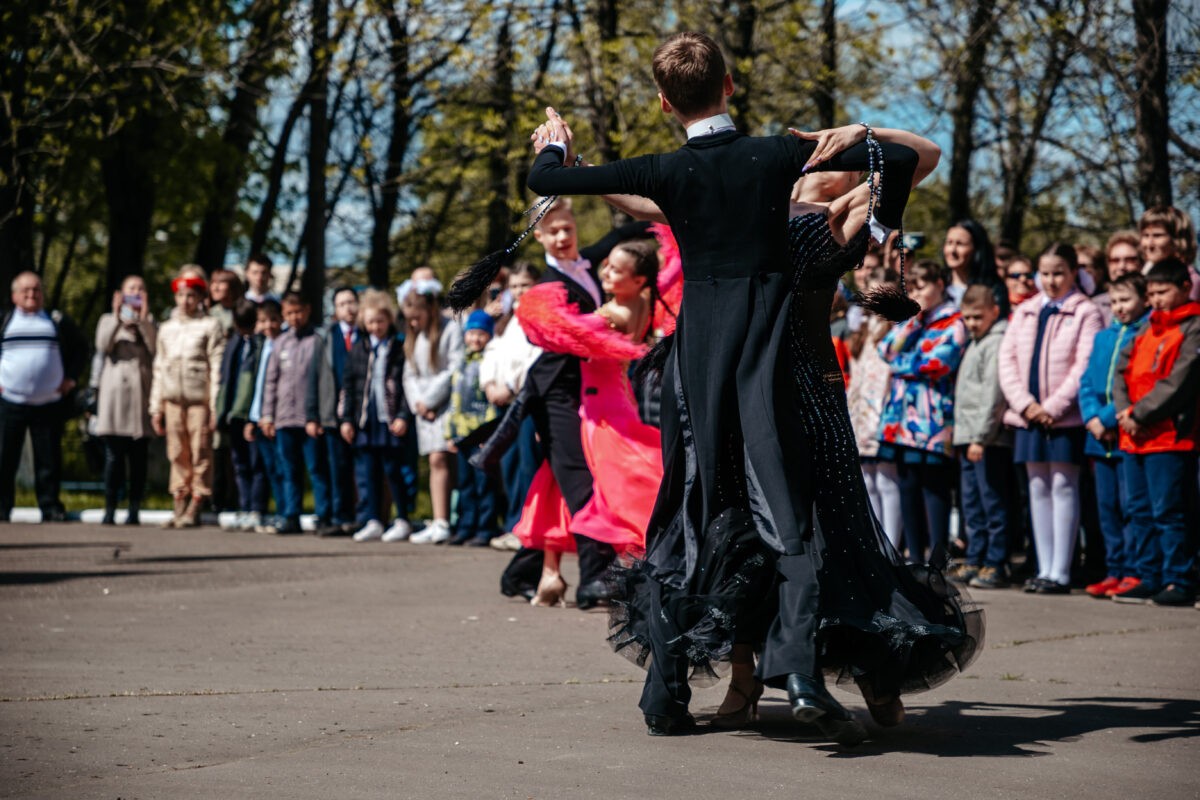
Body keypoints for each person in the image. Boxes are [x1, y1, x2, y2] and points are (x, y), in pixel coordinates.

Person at [517, 32, 976, 741]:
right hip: (766, 377)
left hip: (724, 376)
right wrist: (856, 134)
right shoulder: (770, 161)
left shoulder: (714, 178)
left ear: (666, 102)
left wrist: (558, 152)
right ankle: (784, 671)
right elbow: (913, 152)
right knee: (770, 524)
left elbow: (578, 188)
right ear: (730, 85)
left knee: (711, 521)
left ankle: (727, 683)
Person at [490, 200, 652, 603]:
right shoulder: (546, 287)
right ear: (539, 237)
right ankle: (595, 581)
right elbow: (565, 337)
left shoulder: (593, 262)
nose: (563, 237)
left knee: (560, 481)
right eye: (553, 231)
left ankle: (523, 572)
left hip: (595, 391)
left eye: (568, 228)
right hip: (557, 393)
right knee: (580, 481)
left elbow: (625, 234)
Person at [999, 243, 1103, 594]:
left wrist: (1053, 407)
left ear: (1074, 272)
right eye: (1045, 273)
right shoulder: (1026, 310)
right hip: (1029, 416)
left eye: (1059, 272)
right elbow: (1007, 361)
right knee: (1037, 487)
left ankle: (1061, 570)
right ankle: (1044, 568)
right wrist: (1026, 404)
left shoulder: (1085, 311)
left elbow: (1083, 365)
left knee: (1063, 485)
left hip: (1063, 418)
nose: (1051, 280)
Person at [1111, 258, 1200, 607]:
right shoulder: (1146, 327)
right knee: (1140, 509)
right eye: (1151, 293)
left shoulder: (1192, 327)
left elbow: (1180, 380)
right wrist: (1123, 411)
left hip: (1169, 437)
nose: (1157, 299)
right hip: (1134, 436)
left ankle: (1180, 577)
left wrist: (1140, 413)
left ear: (1184, 287)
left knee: (1170, 510)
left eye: (1163, 292)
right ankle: (1150, 576)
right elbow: (1122, 369)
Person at [878, 260, 968, 562]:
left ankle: (937, 560)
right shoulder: (912, 321)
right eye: (912, 287)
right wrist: (913, 324)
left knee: (934, 488)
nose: (918, 292)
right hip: (900, 418)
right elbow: (886, 350)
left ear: (940, 285)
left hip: (931, 421)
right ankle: (914, 559)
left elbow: (938, 364)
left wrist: (903, 366)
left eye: (923, 286)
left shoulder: (954, 322)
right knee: (907, 486)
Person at [1078, 272, 1149, 599]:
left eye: (1126, 300)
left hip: (1124, 432)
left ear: (1144, 300)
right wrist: (1091, 417)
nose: (1119, 307)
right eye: (1115, 301)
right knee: (1106, 507)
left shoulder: (1144, 333)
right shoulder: (1103, 337)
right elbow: (1087, 381)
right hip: (1098, 436)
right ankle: (1114, 568)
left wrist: (1107, 418)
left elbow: (1135, 386)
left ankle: (1135, 570)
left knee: (1129, 505)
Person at [0, 271, 88, 522]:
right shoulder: (5, 321)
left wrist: (71, 378)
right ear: (14, 295)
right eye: (26, 290)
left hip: (48, 402)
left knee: (48, 459)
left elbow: (82, 348)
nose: (31, 295)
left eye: (36, 289)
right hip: (11, 402)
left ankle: (49, 506)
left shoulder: (55, 320)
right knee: (5, 457)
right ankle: (2, 506)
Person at [149, 267, 227, 528]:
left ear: (201, 298)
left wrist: (215, 405)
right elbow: (159, 368)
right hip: (172, 399)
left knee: (200, 451)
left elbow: (217, 367)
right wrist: (155, 407)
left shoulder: (209, 326)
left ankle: (197, 500)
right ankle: (179, 500)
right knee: (177, 452)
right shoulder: (167, 328)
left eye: (191, 295)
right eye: (181, 295)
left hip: (199, 401)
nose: (185, 301)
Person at [951, 285, 1012, 589]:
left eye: (978, 316)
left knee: (991, 501)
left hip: (985, 439)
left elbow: (993, 394)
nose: (972, 323)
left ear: (994, 312)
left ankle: (995, 562)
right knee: (971, 502)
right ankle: (975, 557)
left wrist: (980, 436)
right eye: (967, 318)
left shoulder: (995, 342)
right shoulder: (976, 342)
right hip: (967, 436)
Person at [340, 290, 414, 543]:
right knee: (367, 471)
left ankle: (402, 518)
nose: (376, 327)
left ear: (389, 319)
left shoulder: (399, 347)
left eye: (380, 321)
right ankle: (373, 519)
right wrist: (347, 420)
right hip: (365, 419)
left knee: (393, 469)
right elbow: (349, 387)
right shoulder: (359, 349)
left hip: (390, 417)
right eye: (371, 322)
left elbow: (407, 384)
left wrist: (403, 415)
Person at [480, 263, 544, 550]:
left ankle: (527, 527)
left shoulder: (542, 317)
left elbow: (535, 357)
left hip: (526, 401)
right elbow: (492, 354)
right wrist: (490, 384)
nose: (520, 291)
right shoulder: (507, 320)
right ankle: (513, 524)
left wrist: (511, 386)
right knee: (508, 465)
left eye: (525, 285)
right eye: (515, 286)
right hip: (503, 403)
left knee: (527, 464)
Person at [259, 292, 326, 535]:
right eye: (289, 313)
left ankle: (323, 515)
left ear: (307, 311)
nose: (294, 318)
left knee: (316, 468)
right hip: (283, 418)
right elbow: (270, 382)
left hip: (308, 419)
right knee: (288, 469)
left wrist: (317, 416)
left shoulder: (317, 341)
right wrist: (267, 415)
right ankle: (291, 514)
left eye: (298, 312)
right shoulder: (280, 343)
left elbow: (322, 381)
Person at [402, 283, 464, 544]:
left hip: (446, 405)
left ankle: (447, 519)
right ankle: (440, 518)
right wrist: (418, 402)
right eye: (410, 319)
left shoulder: (450, 330)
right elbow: (409, 373)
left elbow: (454, 367)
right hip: (424, 410)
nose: (414, 323)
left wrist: (429, 400)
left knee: (443, 459)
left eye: (417, 316)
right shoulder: (415, 335)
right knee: (434, 460)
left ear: (430, 309)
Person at [846, 267, 902, 548]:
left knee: (887, 478)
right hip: (861, 412)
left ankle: (892, 542)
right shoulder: (861, 328)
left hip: (884, 409)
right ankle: (876, 541)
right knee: (867, 479)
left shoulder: (896, 328)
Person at [93, 275, 156, 526]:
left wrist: (143, 321)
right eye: (131, 289)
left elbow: (155, 349)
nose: (136, 293)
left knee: (138, 458)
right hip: (114, 396)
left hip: (140, 395)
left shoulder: (149, 322)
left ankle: (134, 508)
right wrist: (118, 315)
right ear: (120, 293)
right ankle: (109, 507)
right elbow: (102, 345)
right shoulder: (108, 320)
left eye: (140, 289)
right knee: (113, 457)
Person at [445, 310, 501, 546]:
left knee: (483, 483)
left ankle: (485, 527)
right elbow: (454, 401)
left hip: (481, 435)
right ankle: (466, 526)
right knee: (465, 483)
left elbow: (492, 405)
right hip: (462, 434)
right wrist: (450, 433)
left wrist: (489, 435)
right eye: (472, 334)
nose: (476, 339)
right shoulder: (461, 363)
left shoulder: (491, 362)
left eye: (481, 334)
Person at [307, 286, 360, 536]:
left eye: (351, 302)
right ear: (335, 310)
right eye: (342, 304)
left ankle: (363, 516)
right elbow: (314, 377)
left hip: (361, 415)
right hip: (331, 415)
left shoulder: (367, 334)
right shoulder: (326, 337)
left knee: (361, 469)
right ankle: (339, 517)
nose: (348, 308)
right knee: (336, 468)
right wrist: (313, 415)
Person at [214, 299, 265, 531]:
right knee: (239, 464)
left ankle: (257, 509)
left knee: (256, 464)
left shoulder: (260, 345)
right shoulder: (233, 344)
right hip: (232, 413)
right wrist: (221, 412)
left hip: (252, 414)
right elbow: (224, 379)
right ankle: (244, 507)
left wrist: (254, 416)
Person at [245, 300, 285, 531]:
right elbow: (255, 384)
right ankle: (266, 511)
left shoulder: (283, 345)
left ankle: (284, 512)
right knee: (266, 468)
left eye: (272, 319)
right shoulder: (259, 346)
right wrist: (252, 417)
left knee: (282, 468)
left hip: (277, 417)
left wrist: (271, 416)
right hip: (258, 415)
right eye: (262, 321)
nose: (268, 325)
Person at [941, 219, 1006, 312]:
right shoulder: (937, 285)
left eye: (960, 244)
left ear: (976, 250)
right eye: (949, 243)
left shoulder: (994, 289)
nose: (952, 250)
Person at [1138, 207, 1199, 300]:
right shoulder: (1143, 274)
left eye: (1157, 235)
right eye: (1145, 235)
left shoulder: (1190, 280)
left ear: (1177, 239)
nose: (1149, 244)